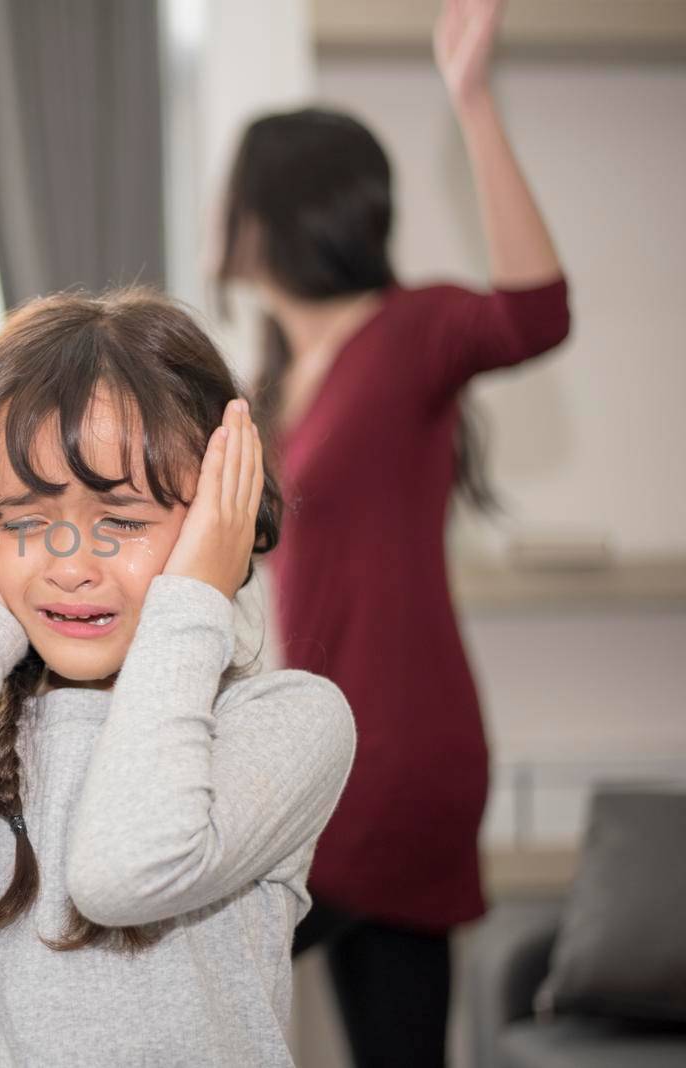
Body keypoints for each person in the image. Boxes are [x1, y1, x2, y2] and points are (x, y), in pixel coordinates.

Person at [0, 288, 357, 1066]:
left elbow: (125, 872)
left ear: (219, 521)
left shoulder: (288, 720)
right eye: (24, 522)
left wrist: (195, 596)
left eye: (124, 522)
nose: (70, 567)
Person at [213, 1, 572, 1063]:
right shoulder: (272, 382)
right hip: (320, 749)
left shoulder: (408, 333)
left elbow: (536, 313)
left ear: (273, 214)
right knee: (394, 1040)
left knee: (185, 975)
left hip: (390, 754)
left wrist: (471, 103)